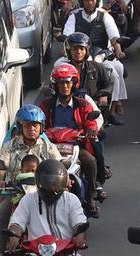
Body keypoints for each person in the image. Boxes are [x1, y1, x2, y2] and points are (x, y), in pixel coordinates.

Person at [0, 105, 63, 249]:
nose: (32, 129)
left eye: (35, 125)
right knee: (2, 212)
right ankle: (2, 246)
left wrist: (65, 181)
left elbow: (60, 167)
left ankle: (65, 244)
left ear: (41, 127)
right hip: (14, 192)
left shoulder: (48, 147)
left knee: (65, 209)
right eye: (28, 125)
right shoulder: (9, 146)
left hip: (45, 191)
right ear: (20, 127)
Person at [38, 65, 103, 216]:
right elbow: (38, 120)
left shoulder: (83, 104)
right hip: (51, 147)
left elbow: (90, 121)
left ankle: (91, 197)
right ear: (55, 85)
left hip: (76, 146)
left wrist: (91, 130)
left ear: (74, 84)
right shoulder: (46, 105)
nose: (65, 86)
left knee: (91, 161)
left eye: (68, 82)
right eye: (61, 83)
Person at [63, 0, 128, 122]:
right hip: (77, 53)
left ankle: (112, 108)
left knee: (116, 71)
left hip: (101, 54)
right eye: (86, 0)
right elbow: (66, 37)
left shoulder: (104, 16)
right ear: (82, 1)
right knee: (59, 66)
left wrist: (118, 50)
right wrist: (65, 51)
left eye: (92, 0)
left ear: (97, 0)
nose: (89, 2)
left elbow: (114, 36)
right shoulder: (74, 16)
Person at [6, 158, 90, 248]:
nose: (51, 188)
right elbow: (17, 222)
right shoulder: (28, 200)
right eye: (47, 183)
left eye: (55, 183)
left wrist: (80, 237)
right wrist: (14, 234)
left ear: (63, 182)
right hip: (35, 252)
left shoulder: (71, 199)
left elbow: (79, 222)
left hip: (66, 251)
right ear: (38, 181)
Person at [51, 32, 115, 120]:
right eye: (75, 49)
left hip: (92, 108)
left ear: (87, 51)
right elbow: (53, 86)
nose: (78, 52)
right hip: (67, 107)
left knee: (100, 132)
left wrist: (104, 94)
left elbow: (109, 83)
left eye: (81, 48)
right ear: (69, 51)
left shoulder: (97, 67)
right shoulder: (62, 69)